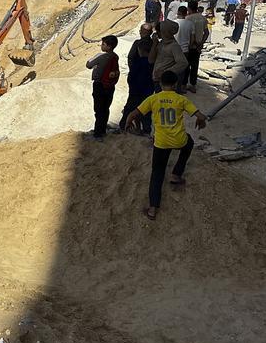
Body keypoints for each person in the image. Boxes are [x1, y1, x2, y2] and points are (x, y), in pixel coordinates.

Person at [125, 69, 206, 221]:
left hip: (161, 142)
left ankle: (152, 209)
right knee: (189, 144)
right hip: (179, 139)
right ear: (175, 84)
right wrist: (200, 121)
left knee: (157, 172)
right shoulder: (180, 99)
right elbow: (200, 116)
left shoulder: (153, 99)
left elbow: (133, 114)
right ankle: (176, 174)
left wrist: (129, 122)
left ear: (160, 84)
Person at [121, 24, 154, 134]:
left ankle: (124, 124)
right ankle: (146, 127)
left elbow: (130, 58)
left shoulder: (137, 44)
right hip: (149, 80)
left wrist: (133, 71)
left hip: (137, 79)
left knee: (131, 103)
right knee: (147, 105)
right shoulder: (154, 44)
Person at [86, 35, 120, 140]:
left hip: (100, 85)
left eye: (103, 44)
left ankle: (97, 133)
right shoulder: (115, 56)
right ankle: (103, 129)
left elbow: (88, 64)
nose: (101, 45)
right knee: (105, 108)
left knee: (99, 109)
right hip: (110, 86)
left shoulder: (101, 56)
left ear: (109, 46)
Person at [150, 19, 188, 91]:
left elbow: (183, 63)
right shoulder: (161, 43)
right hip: (158, 80)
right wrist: (154, 44)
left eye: (159, 31)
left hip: (166, 84)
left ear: (164, 32)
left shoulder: (174, 46)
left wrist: (166, 72)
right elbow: (151, 60)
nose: (157, 33)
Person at [185, 1, 208, 93]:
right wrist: (201, 43)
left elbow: (189, 33)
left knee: (186, 65)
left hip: (189, 46)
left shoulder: (187, 19)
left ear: (189, 8)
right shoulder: (203, 18)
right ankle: (193, 85)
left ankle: (184, 84)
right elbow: (206, 33)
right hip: (198, 47)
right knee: (195, 66)